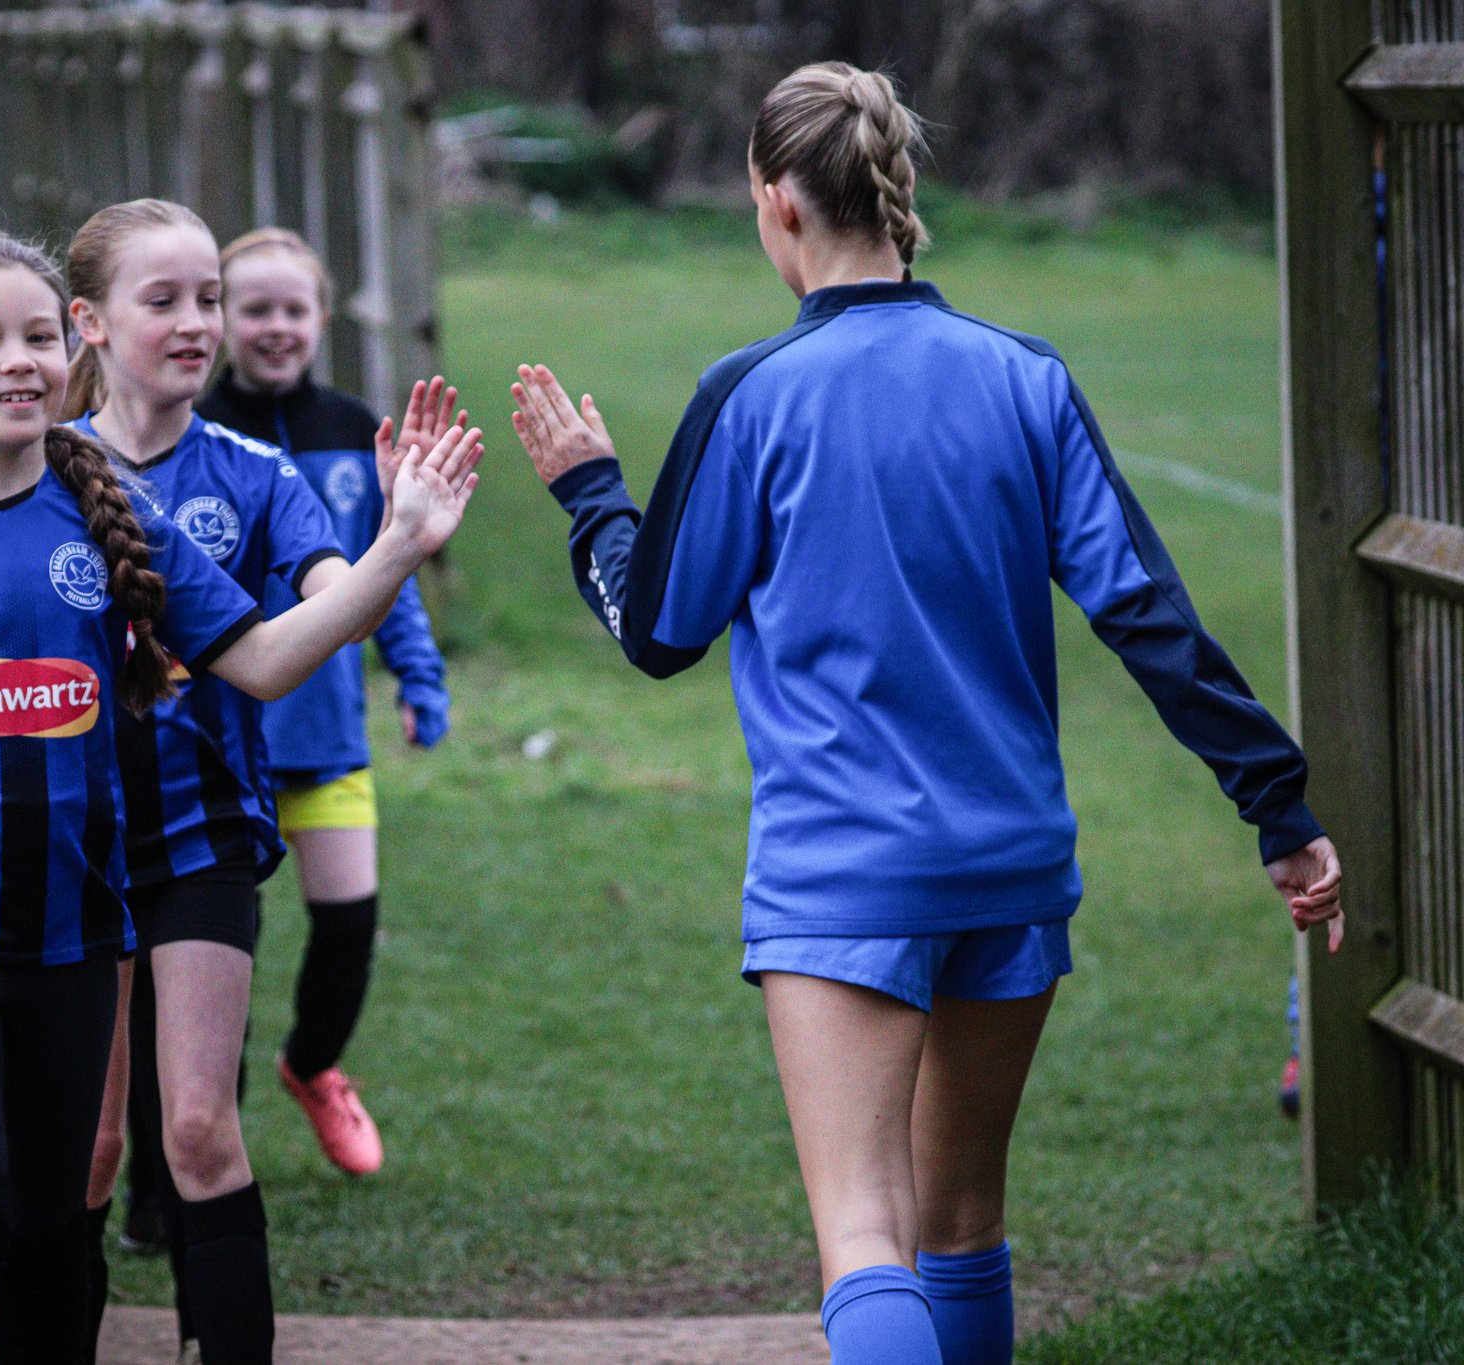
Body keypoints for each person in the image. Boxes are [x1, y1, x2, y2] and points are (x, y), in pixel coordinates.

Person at [508, 62, 1345, 1365]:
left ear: (776, 200)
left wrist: (591, 497)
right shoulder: (1025, 377)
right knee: (962, 1228)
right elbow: (1148, 616)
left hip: (845, 875)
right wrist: (1277, 808)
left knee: (865, 1233)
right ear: (894, 191)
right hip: (1011, 867)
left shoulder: (751, 397)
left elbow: (657, 633)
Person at [0, 231, 476, 1364]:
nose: (18, 360)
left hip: (81, 938)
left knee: (44, 1231)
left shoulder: (110, 515)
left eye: (35, 334)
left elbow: (267, 659)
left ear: (68, 345)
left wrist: (398, 547)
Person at [60, 200, 478, 1362]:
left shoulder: (256, 473)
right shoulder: (32, 473)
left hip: (202, 838)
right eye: (168, 300)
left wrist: (398, 543)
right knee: (89, 1148)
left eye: (207, 299)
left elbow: (321, 610)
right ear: (88, 322)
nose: (196, 323)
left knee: (196, 1130)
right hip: (60, 849)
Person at [197, 226, 454, 1177]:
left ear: (322, 316)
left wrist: (418, 674)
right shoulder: (196, 432)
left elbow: (395, 567)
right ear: (222, 320)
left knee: (347, 930)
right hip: (223, 743)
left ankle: (312, 1067)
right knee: (220, 957)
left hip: (328, 736)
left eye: (292, 309)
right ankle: (184, 1159)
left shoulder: (355, 429)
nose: (274, 328)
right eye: (253, 309)